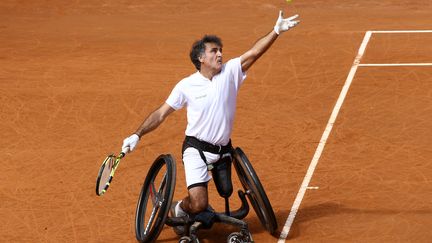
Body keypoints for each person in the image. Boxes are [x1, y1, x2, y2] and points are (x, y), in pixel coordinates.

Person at [121, 10, 299, 234]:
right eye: (214, 51)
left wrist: (276, 31)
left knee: (226, 191)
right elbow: (160, 113)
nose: (220, 55)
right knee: (198, 204)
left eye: (221, 50)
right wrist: (137, 134)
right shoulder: (186, 85)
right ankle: (179, 208)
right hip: (196, 149)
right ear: (200, 58)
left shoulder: (230, 72)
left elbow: (254, 53)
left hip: (224, 150)